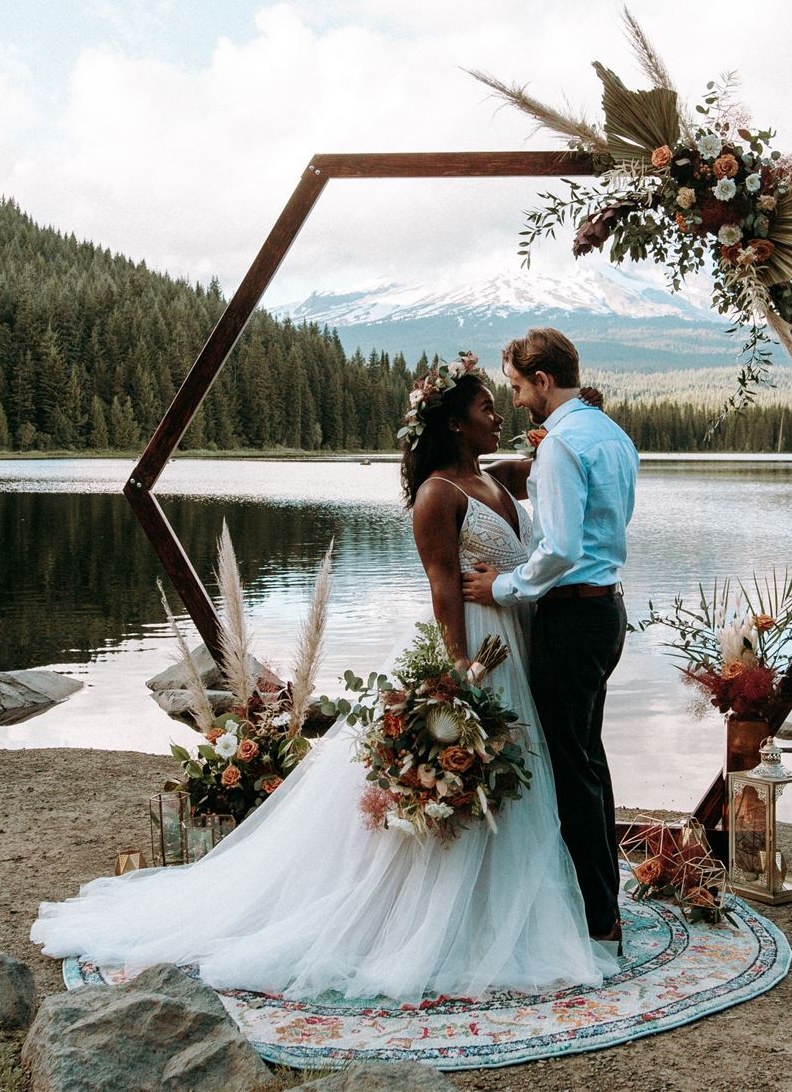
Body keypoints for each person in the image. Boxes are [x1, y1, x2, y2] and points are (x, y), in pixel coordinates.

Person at [31, 353, 615, 1003]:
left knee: (517, 787)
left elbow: (556, 474)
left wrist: (573, 416)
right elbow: (444, 593)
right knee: (470, 779)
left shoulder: (498, 481)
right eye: (485, 407)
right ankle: (439, 918)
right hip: (477, 653)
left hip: (517, 644)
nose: (496, 414)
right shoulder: (437, 496)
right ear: (454, 423)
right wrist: (460, 681)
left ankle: (510, 906)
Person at [462, 327, 638, 946]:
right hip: (606, 611)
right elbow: (590, 531)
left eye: (517, 387)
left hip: (571, 617)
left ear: (543, 380)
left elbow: (561, 547)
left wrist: (504, 586)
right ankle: (604, 900)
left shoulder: (563, 445)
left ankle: (597, 918)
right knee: (589, 758)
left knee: (570, 767)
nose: (515, 401)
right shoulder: (612, 436)